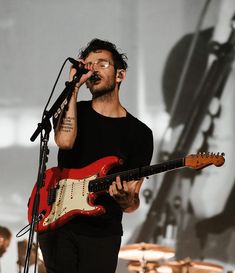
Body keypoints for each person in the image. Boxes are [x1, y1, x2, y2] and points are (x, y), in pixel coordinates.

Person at [38, 38, 154, 273]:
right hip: (59, 222)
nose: (93, 69)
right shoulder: (74, 109)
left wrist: (125, 200)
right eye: (88, 64)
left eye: (102, 64)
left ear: (120, 75)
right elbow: (64, 141)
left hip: (102, 232)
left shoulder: (140, 133)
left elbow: (132, 202)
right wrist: (73, 86)